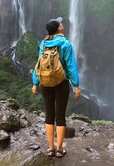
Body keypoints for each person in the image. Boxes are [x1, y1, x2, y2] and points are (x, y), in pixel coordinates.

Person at [32, 16, 81, 158]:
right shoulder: (65, 44)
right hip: (61, 83)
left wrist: (35, 83)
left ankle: (50, 148)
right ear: (59, 28)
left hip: (45, 83)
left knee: (49, 115)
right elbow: (71, 66)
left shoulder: (44, 43)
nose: (62, 23)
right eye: (60, 23)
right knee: (60, 117)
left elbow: (38, 65)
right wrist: (76, 85)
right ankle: (59, 149)